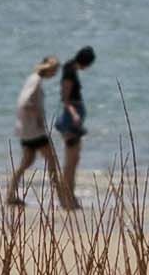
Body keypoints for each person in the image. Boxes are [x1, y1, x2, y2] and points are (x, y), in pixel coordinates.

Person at [8, 54, 66, 210]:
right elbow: (25, 103)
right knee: (52, 161)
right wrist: (39, 117)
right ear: (48, 69)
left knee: (26, 162)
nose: (54, 74)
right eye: (54, 71)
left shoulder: (33, 79)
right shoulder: (36, 81)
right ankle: (62, 198)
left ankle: (10, 195)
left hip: (26, 130)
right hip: (34, 131)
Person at [56, 44, 95, 208]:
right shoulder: (69, 72)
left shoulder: (70, 68)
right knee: (70, 162)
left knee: (74, 160)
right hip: (71, 121)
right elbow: (65, 99)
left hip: (73, 119)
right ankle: (67, 198)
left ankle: (70, 196)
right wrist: (74, 115)